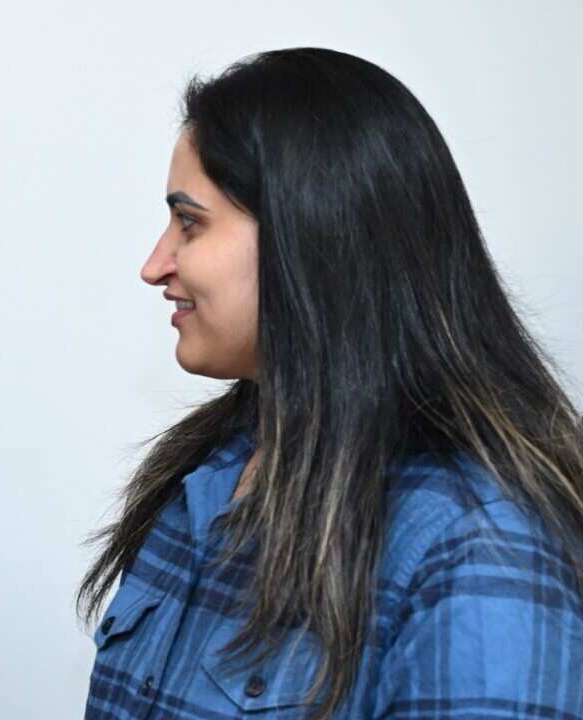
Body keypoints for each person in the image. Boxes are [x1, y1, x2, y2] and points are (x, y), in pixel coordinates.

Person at [79, 48, 583, 719]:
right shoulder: (204, 476)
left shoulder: (480, 550)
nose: (155, 264)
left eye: (190, 222)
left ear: (310, 234)